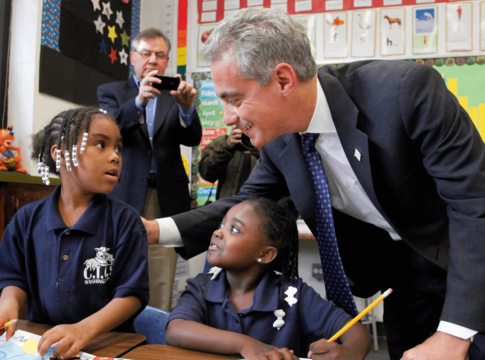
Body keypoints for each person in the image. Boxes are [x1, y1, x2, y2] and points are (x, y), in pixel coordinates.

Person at [143, 8, 485, 360]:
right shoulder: (280, 143)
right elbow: (246, 203)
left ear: (284, 80)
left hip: (471, 266)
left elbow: (475, 205)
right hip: (402, 283)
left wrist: (454, 334)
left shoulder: (403, 92)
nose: (229, 117)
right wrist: (154, 230)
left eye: (235, 99)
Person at [0, 107, 149, 359]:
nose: (115, 156)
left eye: (118, 148)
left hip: (109, 346)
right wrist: (9, 305)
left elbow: (132, 294)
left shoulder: (126, 221)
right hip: (45, 345)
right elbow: (14, 277)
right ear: (60, 154)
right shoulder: (26, 219)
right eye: (100, 144)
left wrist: (84, 330)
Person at [165, 197, 370, 360]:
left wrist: (350, 353)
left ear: (265, 254)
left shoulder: (294, 295)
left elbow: (357, 333)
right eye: (222, 224)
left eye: (234, 229)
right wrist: (246, 344)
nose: (218, 232)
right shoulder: (202, 285)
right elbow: (176, 330)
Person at [97, 28, 202, 311]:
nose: (152, 60)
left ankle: (155, 335)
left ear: (168, 61)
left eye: (160, 55)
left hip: (166, 196)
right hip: (123, 192)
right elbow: (107, 134)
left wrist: (187, 110)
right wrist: (138, 102)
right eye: (146, 53)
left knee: (161, 273)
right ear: (132, 57)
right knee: (115, 262)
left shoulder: (175, 95)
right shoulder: (112, 93)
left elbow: (193, 139)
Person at [199, 125, 259, 200]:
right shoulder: (222, 142)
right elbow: (206, 173)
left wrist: (261, 152)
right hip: (227, 206)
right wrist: (227, 146)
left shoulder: (266, 142)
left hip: (260, 206)